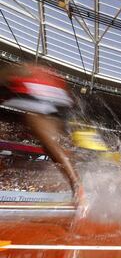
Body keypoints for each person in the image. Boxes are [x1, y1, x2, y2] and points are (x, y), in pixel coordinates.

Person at [0, 62, 83, 205]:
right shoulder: (31, 72)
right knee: (49, 146)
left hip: (41, 93)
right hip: (58, 98)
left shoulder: (14, 73)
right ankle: (76, 185)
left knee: (48, 140)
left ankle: (77, 186)